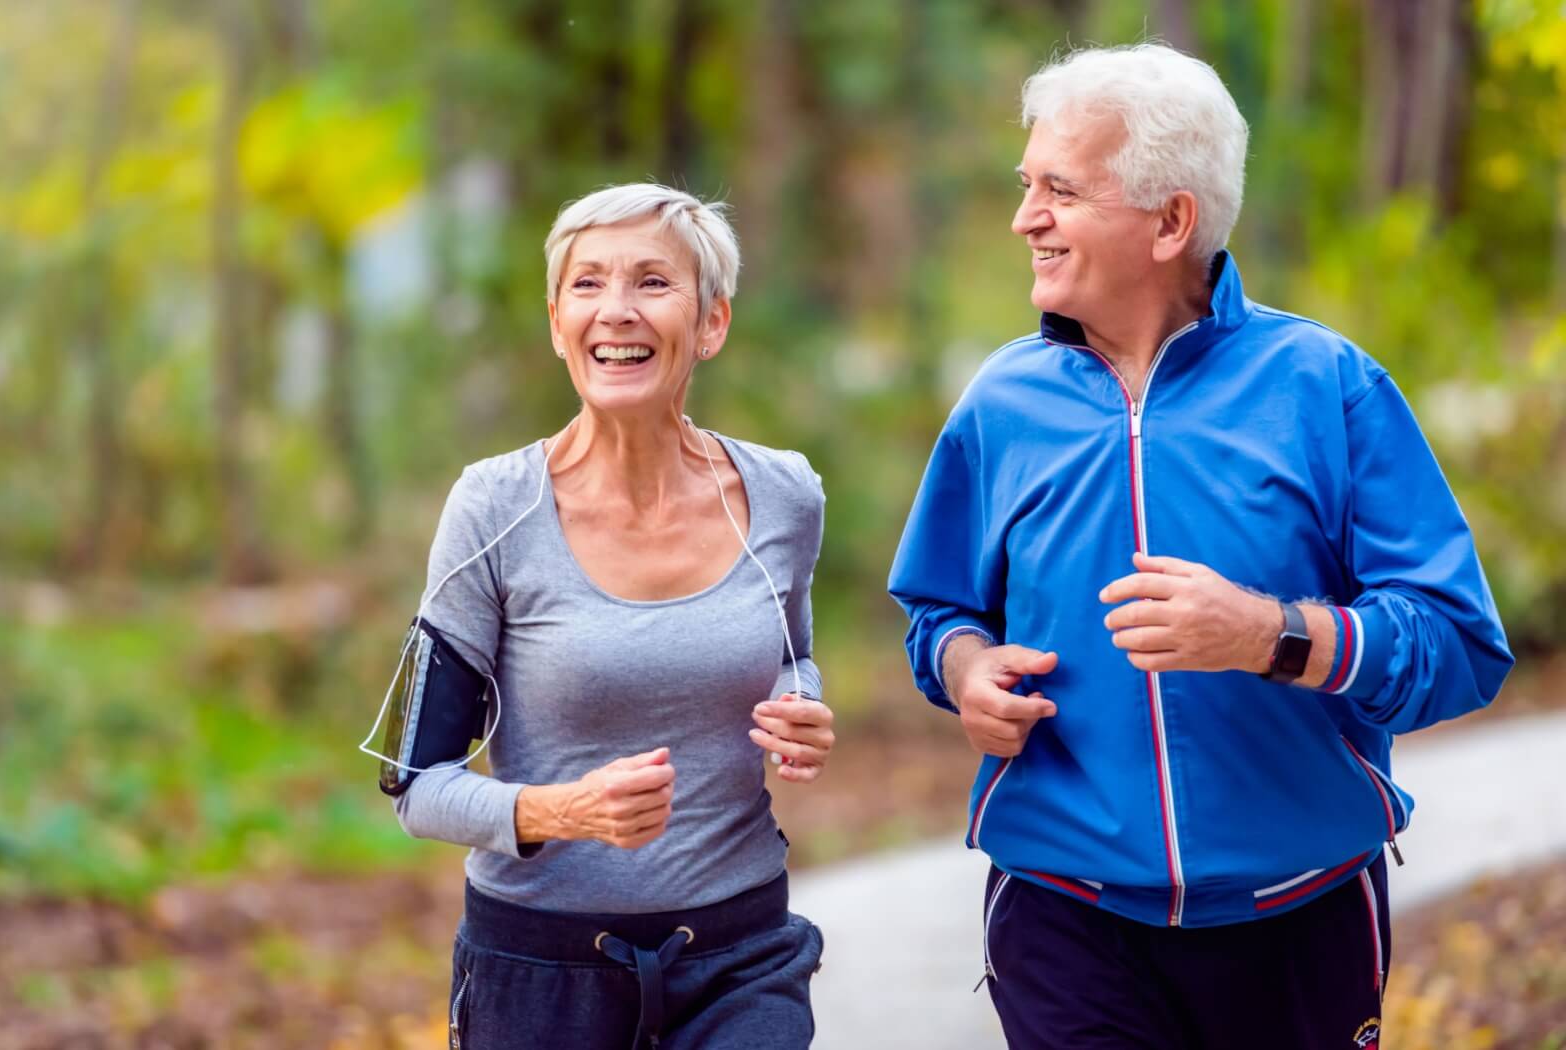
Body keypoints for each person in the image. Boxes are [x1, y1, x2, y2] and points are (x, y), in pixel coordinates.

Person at [888, 43, 1511, 1050]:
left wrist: (1270, 634)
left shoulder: (1327, 386)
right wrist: (965, 671)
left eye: (1059, 189)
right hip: (1063, 910)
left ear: (1170, 220)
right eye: (1025, 186)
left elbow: (1457, 647)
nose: (1024, 218)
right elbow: (938, 611)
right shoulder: (998, 405)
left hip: (1299, 918)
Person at [372, 183, 833, 1050]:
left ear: (711, 324)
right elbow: (415, 785)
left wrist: (800, 704)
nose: (615, 310)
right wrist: (563, 812)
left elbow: (792, 654)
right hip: (541, 975)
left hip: (740, 956)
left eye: (652, 282)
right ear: (557, 324)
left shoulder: (781, 495)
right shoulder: (493, 509)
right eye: (587, 285)